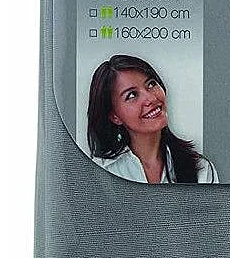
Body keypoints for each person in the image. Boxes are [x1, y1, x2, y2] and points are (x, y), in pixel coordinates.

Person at [86, 54, 219, 183]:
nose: (151, 98)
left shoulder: (200, 169)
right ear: (115, 116)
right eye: (132, 95)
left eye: (151, 84)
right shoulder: (99, 173)